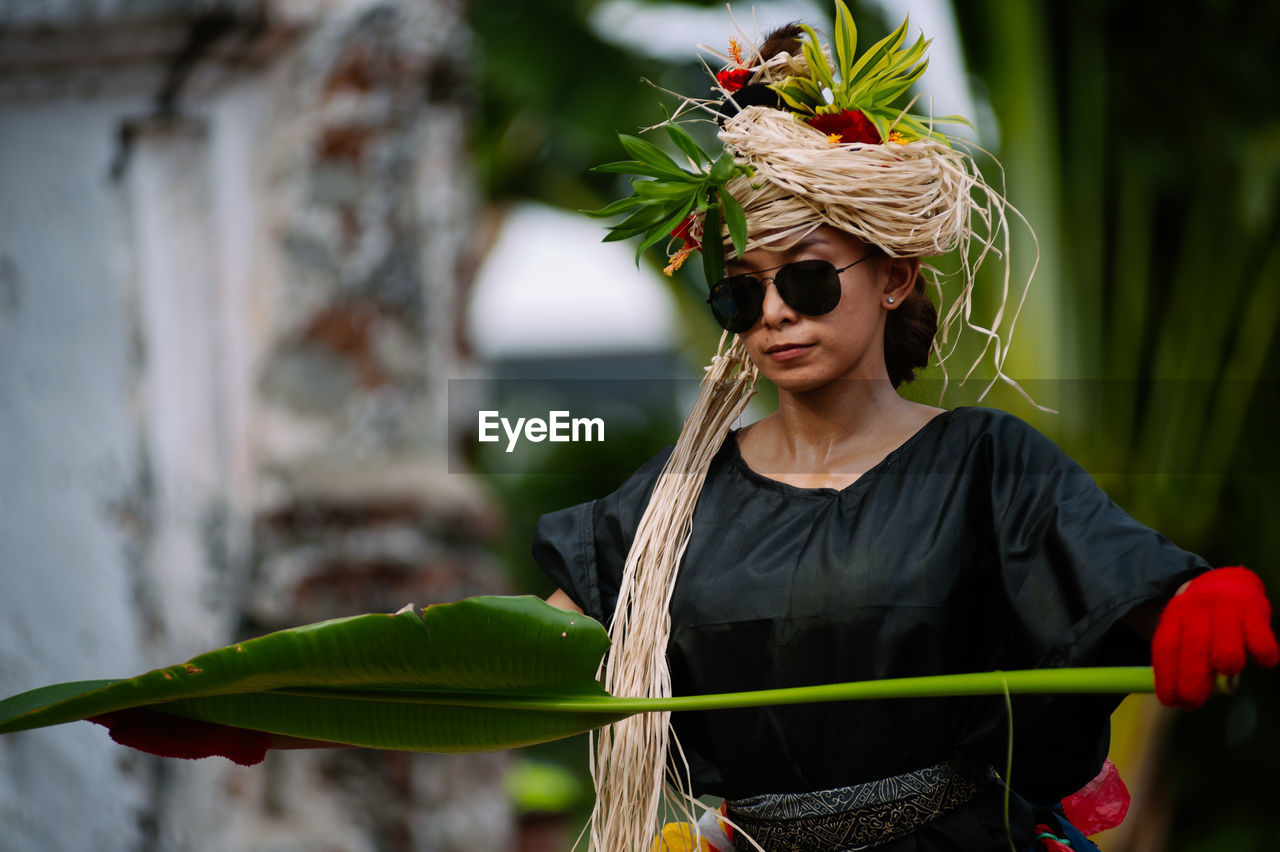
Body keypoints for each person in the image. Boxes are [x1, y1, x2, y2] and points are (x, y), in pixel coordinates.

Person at [536, 5, 1278, 851]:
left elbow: (1124, 584)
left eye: (808, 281)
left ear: (894, 278)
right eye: (742, 292)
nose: (775, 314)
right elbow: (528, 659)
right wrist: (376, 686)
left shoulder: (983, 463)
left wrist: (1196, 600)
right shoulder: (674, 500)